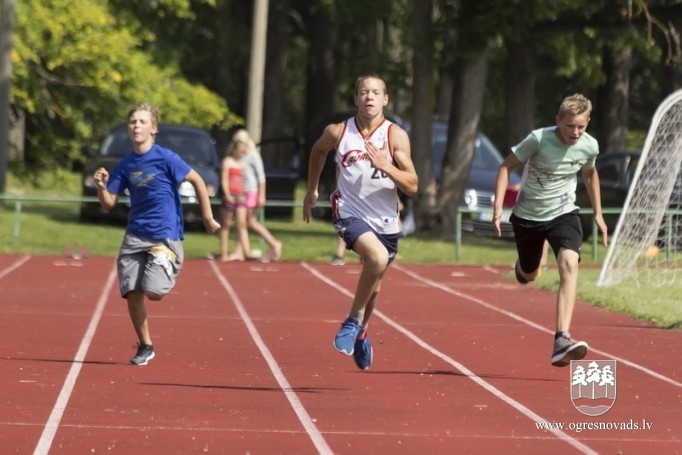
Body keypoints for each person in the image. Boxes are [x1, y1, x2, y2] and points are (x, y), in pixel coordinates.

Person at [303, 73, 418, 370]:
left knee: (375, 283)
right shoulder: (339, 132)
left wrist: (386, 166)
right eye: (364, 92)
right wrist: (312, 189)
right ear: (355, 99)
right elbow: (318, 151)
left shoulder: (395, 136)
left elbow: (413, 185)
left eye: (375, 92)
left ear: (385, 99)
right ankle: (351, 321)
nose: (369, 96)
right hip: (350, 213)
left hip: (386, 222)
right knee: (377, 260)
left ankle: (361, 332)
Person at [93, 102, 220, 366]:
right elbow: (108, 204)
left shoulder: (166, 158)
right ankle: (145, 345)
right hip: (135, 235)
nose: (136, 126)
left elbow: (197, 180)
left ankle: (168, 258)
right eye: (132, 122)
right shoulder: (126, 165)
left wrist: (207, 216)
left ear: (153, 129)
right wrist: (101, 186)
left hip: (164, 234)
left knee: (154, 292)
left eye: (141, 121)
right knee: (131, 292)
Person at [492, 93, 608, 367]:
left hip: (564, 213)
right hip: (528, 217)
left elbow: (590, 174)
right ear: (558, 121)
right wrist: (498, 206)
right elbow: (506, 166)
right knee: (530, 274)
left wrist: (599, 214)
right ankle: (526, 266)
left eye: (581, 126)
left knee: (569, 263)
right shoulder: (539, 139)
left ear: (587, 123)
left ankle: (561, 338)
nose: (575, 132)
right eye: (570, 126)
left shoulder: (589, 146)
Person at [226, 129, 282, 262]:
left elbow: (261, 177)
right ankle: (239, 251)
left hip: (251, 191)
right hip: (240, 192)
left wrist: (262, 195)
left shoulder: (253, 155)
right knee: (241, 223)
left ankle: (274, 243)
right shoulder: (238, 155)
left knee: (251, 222)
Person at [217, 138, 251, 262]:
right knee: (226, 225)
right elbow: (224, 180)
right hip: (230, 195)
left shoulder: (241, 164)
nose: (241, 153)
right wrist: (227, 195)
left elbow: (242, 181)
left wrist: (243, 193)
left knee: (242, 223)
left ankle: (245, 251)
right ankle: (224, 252)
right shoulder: (227, 162)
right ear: (235, 149)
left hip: (240, 195)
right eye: (240, 150)